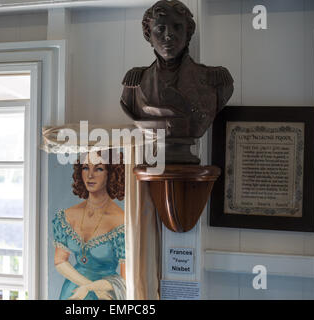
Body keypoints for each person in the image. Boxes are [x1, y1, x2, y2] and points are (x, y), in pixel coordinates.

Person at [120, 0, 234, 140]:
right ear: (149, 34)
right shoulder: (134, 85)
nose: (168, 35)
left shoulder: (215, 80)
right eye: (160, 28)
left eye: (177, 27)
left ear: (188, 33)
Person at [52, 151, 126, 300]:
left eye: (98, 169)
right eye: (86, 168)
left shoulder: (121, 221)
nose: (90, 175)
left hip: (105, 293)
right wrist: (85, 285)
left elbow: (126, 279)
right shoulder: (68, 215)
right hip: (72, 292)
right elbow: (60, 261)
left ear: (110, 174)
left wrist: (91, 288)